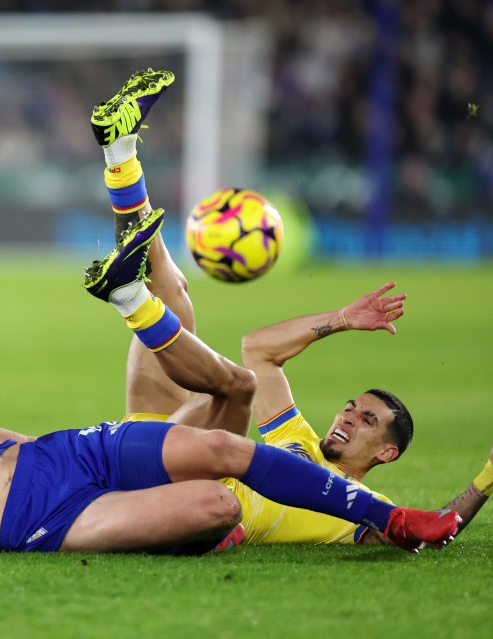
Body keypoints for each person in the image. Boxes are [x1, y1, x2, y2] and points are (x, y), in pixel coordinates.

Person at [0, 72, 460, 557]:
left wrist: (36, 444)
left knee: (189, 329)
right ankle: (123, 226)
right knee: (218, 490)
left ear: (384, 458)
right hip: (42, 518)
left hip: (59, 458)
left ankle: (393, 517)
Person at [91, 69, 492, 547]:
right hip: (166, 443)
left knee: (228, 387)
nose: (346, 418)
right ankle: (121, 153)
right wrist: (341, 319)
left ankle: (130, 299)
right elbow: (257, 348)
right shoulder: (294, 439)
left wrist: (485, 480)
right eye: (351, 408)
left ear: (387, 454)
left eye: (365, 421)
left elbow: (429, 530)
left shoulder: (355, 509)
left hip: (176, 489)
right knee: (170, 283)